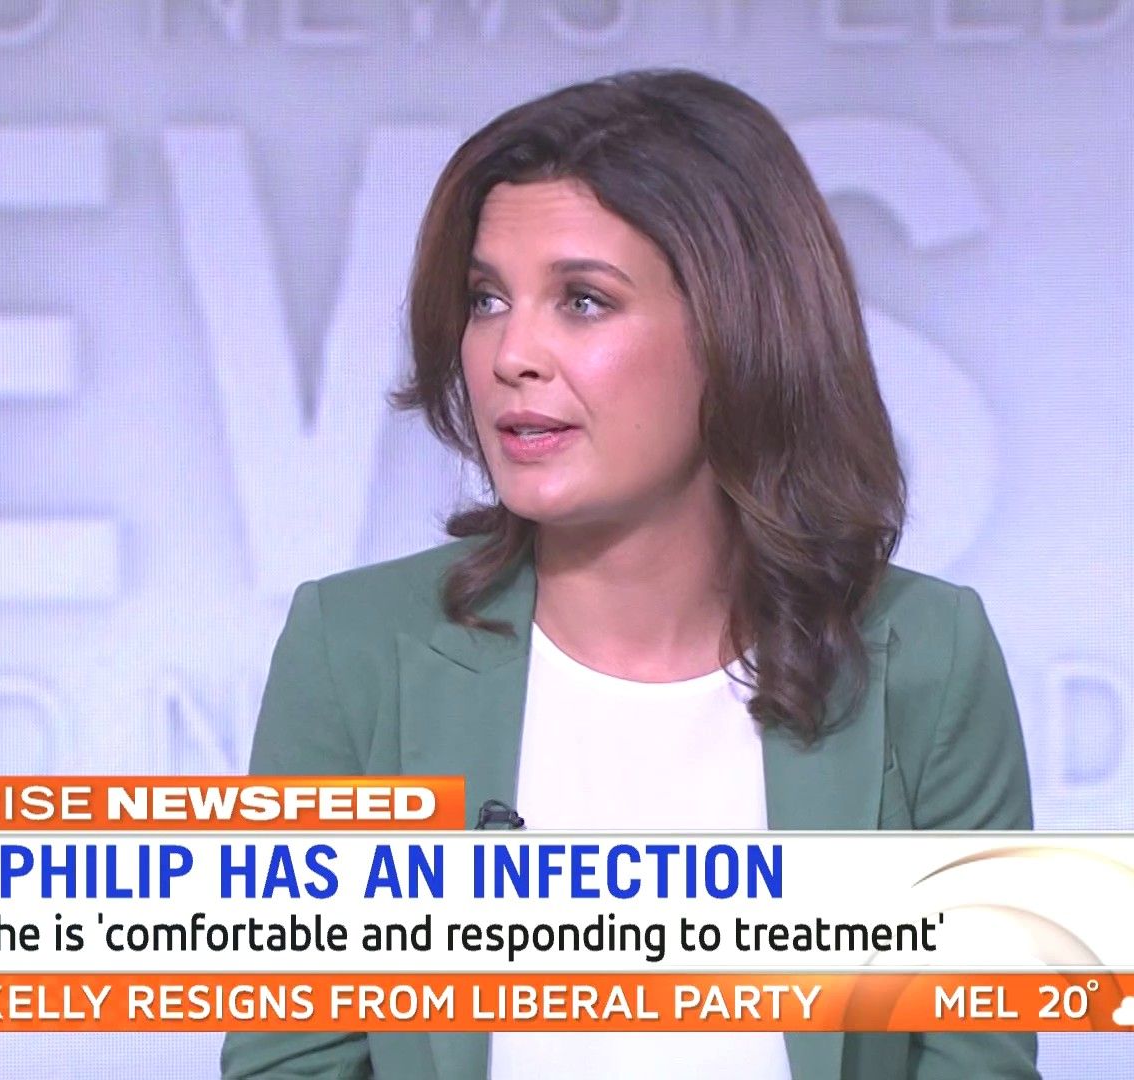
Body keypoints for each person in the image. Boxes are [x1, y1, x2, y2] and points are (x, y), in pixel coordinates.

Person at [220, 68, 1037, 1080]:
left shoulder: (927, 661)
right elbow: (290, 1063)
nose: (511, 354)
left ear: (737, 330)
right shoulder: (354, 652)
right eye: (486, 299)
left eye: (583, 301)